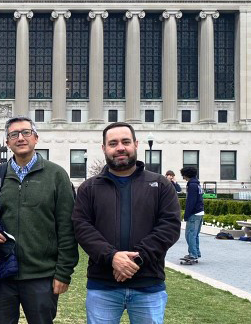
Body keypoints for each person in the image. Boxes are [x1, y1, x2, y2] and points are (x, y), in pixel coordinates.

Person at [72, 122, 181, 324]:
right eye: (113, 143)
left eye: (125, 141)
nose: (120, 147)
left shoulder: (161, 185)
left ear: (136, 144)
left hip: (148, 285)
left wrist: (135, 260)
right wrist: (112, 257)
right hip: (102, 286)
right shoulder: (89, 188)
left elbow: (170, 227)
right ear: (104, 148)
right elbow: (82, 227)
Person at [0, 116, 79, 324]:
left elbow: (67, 227)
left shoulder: (56, 175)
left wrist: (63, 273)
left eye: (26, 132)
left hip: (42, 276)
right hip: (3, 274)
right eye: (14, 134)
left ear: (36, 138)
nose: (20, 138)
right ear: (7, 142)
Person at [180, 166, 204, 263]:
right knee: (195, 234)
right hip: (200, 212)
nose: (183, 178)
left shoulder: (192, 185)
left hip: (194, 213)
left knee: (189, 234)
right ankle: (196, 252)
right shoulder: (197, 184)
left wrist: (186, 215)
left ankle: (193, 254)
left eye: (183, 176)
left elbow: (191, 202)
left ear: (186, 175)